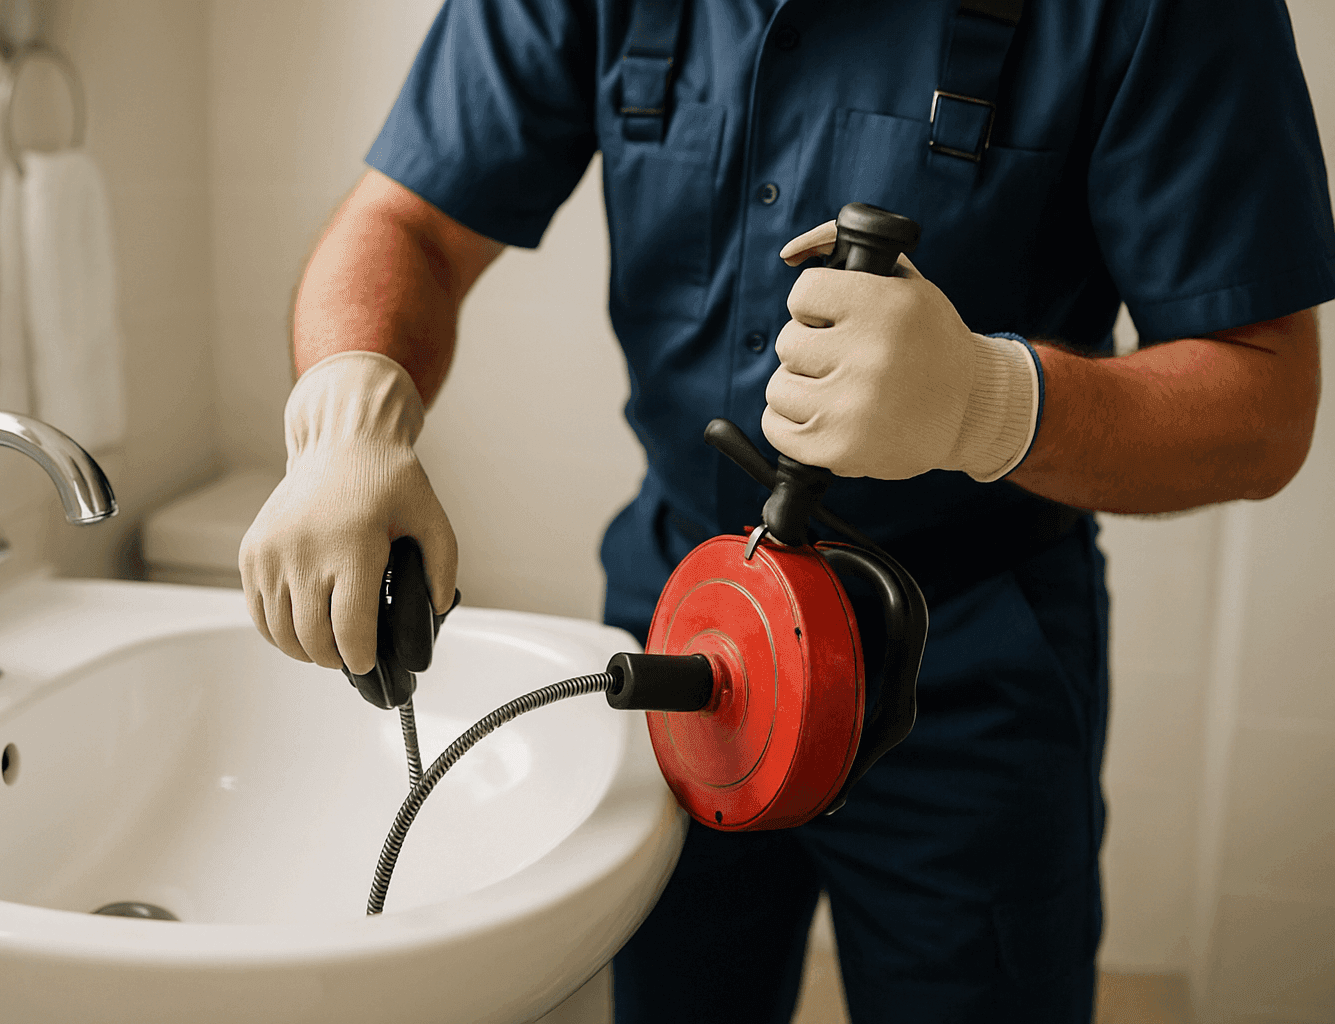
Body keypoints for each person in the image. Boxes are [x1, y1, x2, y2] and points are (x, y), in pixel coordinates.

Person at [239, 0, 1332, 1020]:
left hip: (963, 654)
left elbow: (1264, 399)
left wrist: (987, 403)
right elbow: (410, 223)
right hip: (685, 614)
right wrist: (348, 412)